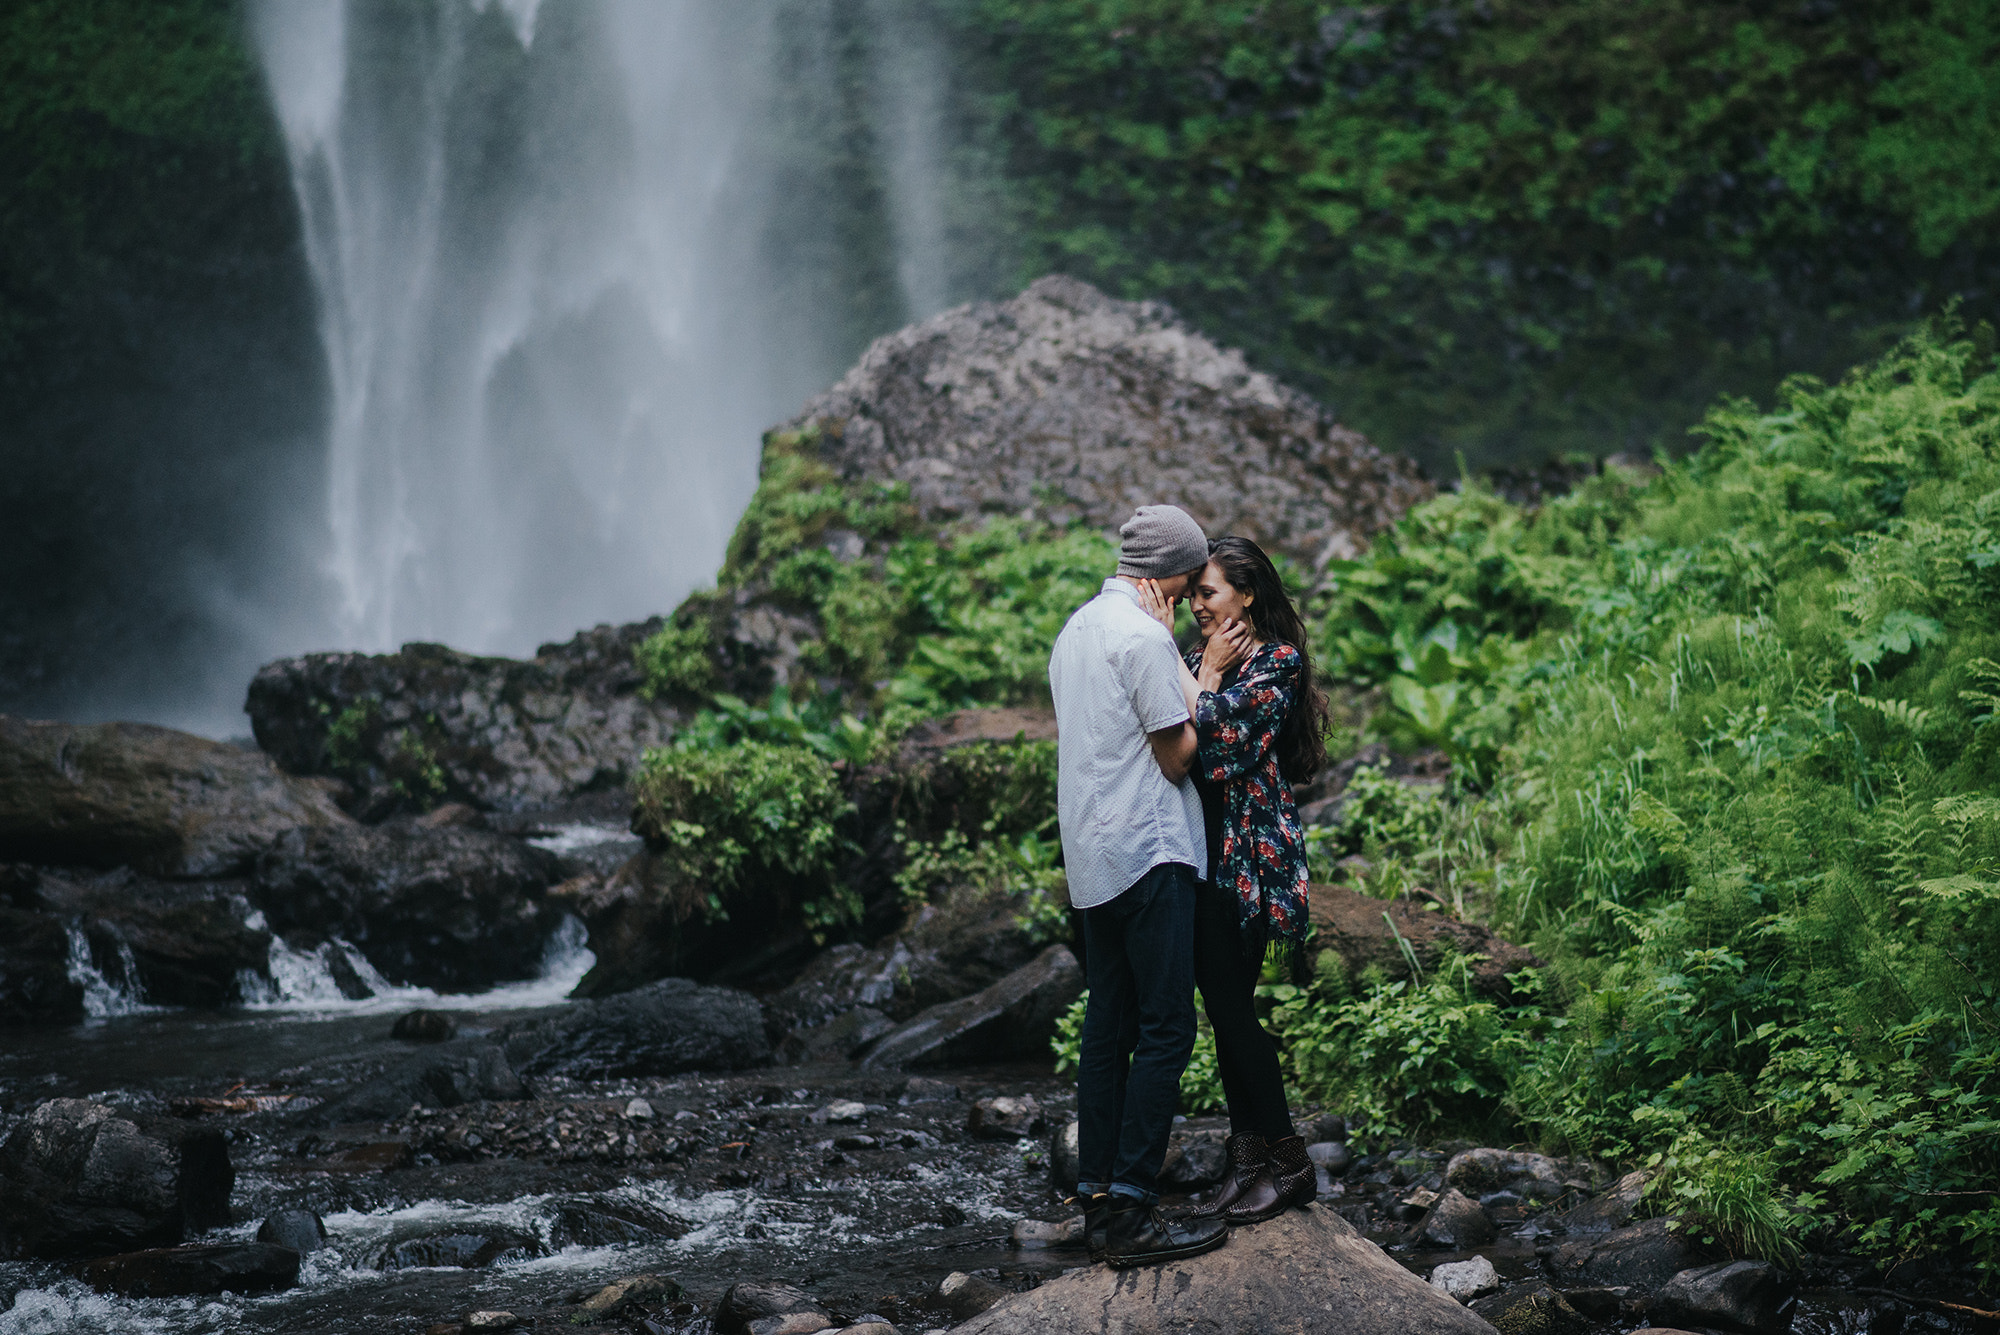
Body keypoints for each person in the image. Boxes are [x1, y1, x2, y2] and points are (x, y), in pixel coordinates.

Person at [1048, 504, 1230, 1267]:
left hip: (1093, 859)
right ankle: (1129, 1210)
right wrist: (1210, 672)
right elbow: (1176, 756)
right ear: (1169, 572)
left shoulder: (1076, 629)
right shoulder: (1144, 637)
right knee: (1166, 1028)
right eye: (1191, 581)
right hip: (1150, 851)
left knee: (1107, 1026)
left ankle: (1094, 1193)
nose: (1194, 600)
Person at [1136, 535, 1326, 1225]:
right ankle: (1248, 1164)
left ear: (1247, 594)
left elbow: (1216, 749)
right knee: (1224, 1011)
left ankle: (1292, 1161)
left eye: (1207, 594)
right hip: (1203, 859)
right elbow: (1177, 739)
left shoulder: (1277, 662)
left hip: (1249, 865)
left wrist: (1205, 678)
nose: (1194, 609)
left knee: (1235, 1013)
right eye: (1191, 598)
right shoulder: (1198, 660)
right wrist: (1201, 673)